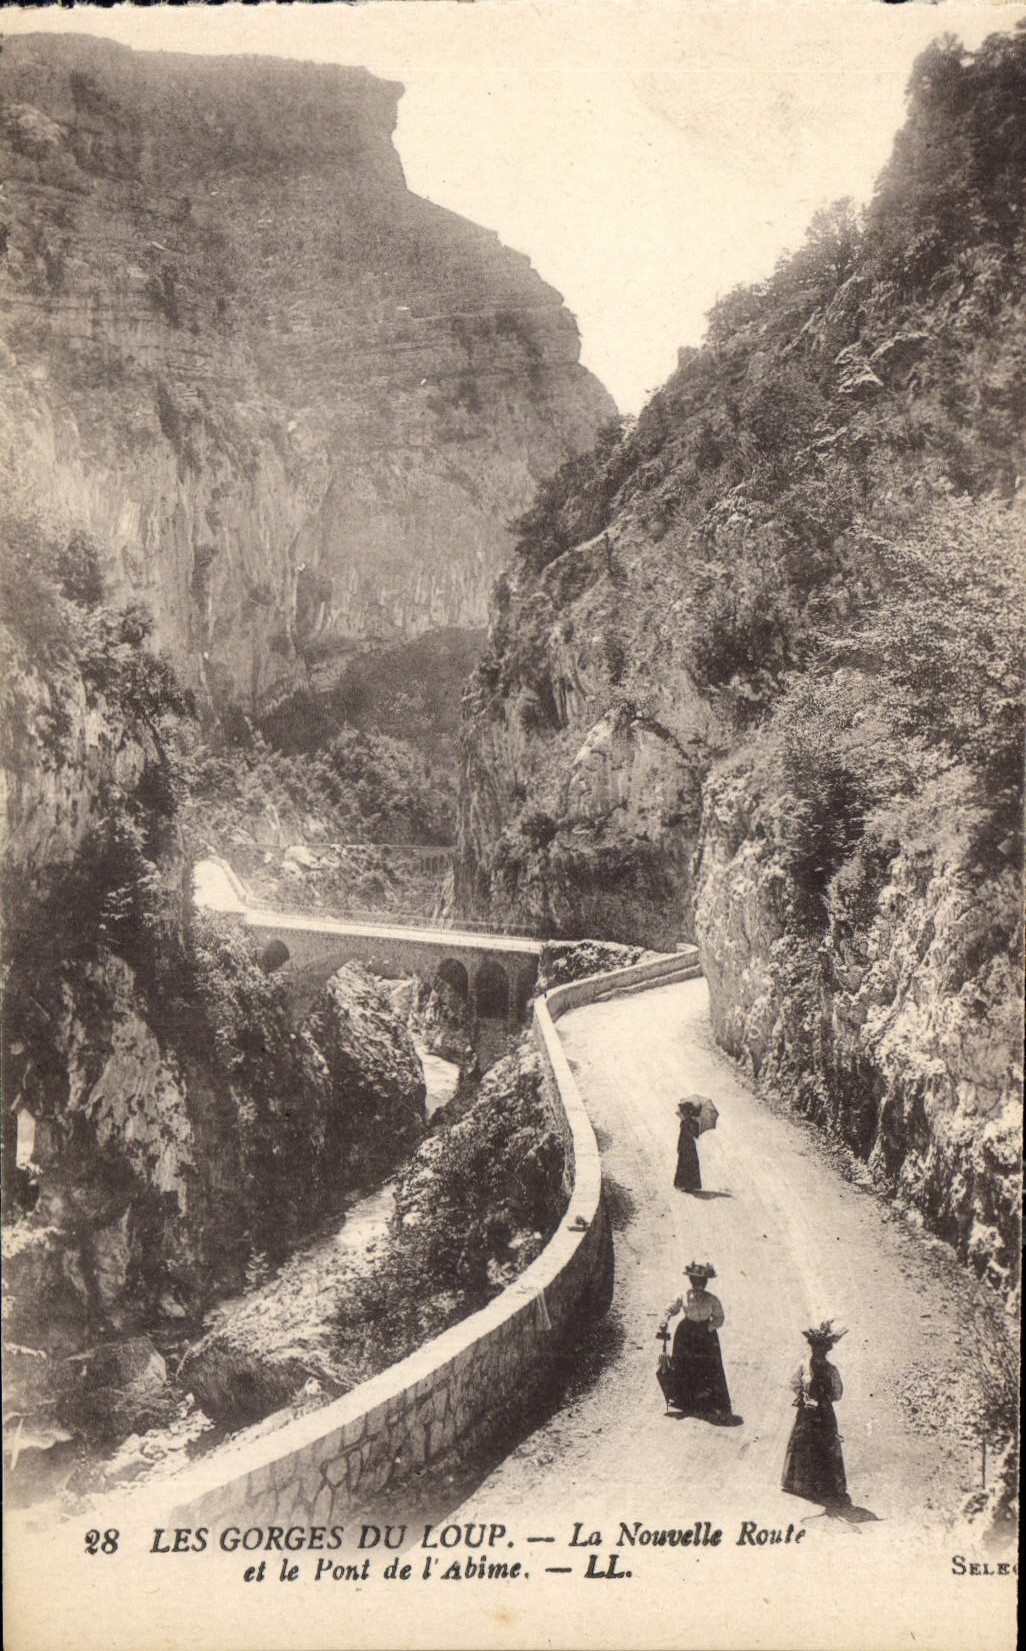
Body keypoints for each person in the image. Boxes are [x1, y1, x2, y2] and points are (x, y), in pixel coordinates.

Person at [656, 1262, 740, 1424]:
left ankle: (708, 1401)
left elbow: (720, 1317)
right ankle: (685, 1399)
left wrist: (708, 1328)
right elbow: (670, 1309)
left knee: (708, 1365)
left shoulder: (712, 1299)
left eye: (701, 1282)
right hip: (686, 1334)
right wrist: (664, 1321)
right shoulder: (684, 1296)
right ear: (691, 1281)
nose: (698, 1285)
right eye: (695, 1281)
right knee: (684, 1363)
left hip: (705, 1335)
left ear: (705, 1282)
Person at [781, 1322, 851, 1505]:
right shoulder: (803, 1365)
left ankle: (824, 1487)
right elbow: (793, 1382)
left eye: (820, 1349)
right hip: (806, 1412)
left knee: (823, 1445)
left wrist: (824, 1399)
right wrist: (802, 1395)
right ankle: (800, 1484)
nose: (816, 1353)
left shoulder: (831, 1370)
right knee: (803, 1443)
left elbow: (838, 1393)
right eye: (814, 1348)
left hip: (824, 1412)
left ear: (825, 1350)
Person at [673, 1100, 702, 1193]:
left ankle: (684, 1184)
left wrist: (679, 1146)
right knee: (691, 1164)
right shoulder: (694, 1122)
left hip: (685, 1145)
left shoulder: (685, 1122)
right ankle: (691, 1185)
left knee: (684, 1164)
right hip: (691, 1146)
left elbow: (682, 1136)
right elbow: (696, 1135)